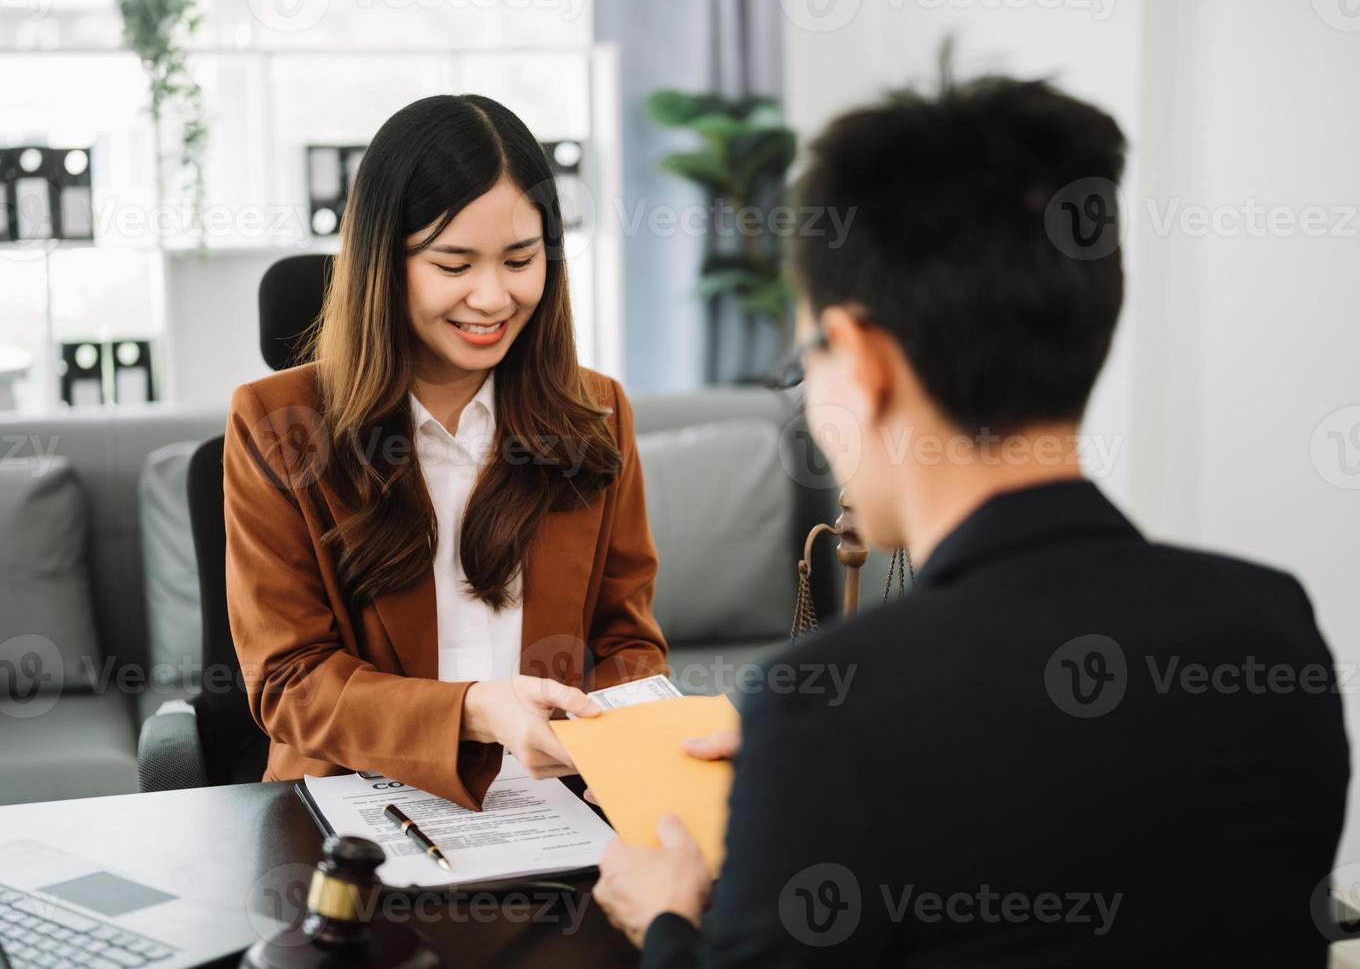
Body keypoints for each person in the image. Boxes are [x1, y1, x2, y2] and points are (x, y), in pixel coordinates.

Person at [593, 72, 1350, 966]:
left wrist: (668, 921)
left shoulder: (828, 716)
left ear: (866, 359)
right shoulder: (1274, 630)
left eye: (810, 357)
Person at [223, 94, 668, 808]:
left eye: (520, 260)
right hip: (361, 807)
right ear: (383, 263)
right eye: (454, 263)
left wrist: (614, 733)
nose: (492, 297)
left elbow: (626, 641)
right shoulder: (278, 423)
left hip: (556, 804)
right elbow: (289, 681)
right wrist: (469, 710)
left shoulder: (596, 414)